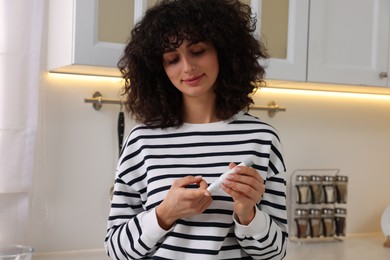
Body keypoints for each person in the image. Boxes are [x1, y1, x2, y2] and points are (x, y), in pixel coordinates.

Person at [104, 0, 288, 259]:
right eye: (172, 59)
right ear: (160, 69)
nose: (188, 67)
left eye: (198, 50)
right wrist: (164, 214)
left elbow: (276, 253)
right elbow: (115, 251)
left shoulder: (262, 139)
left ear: (222, 51)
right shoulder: (141, 141)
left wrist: (248, 214)